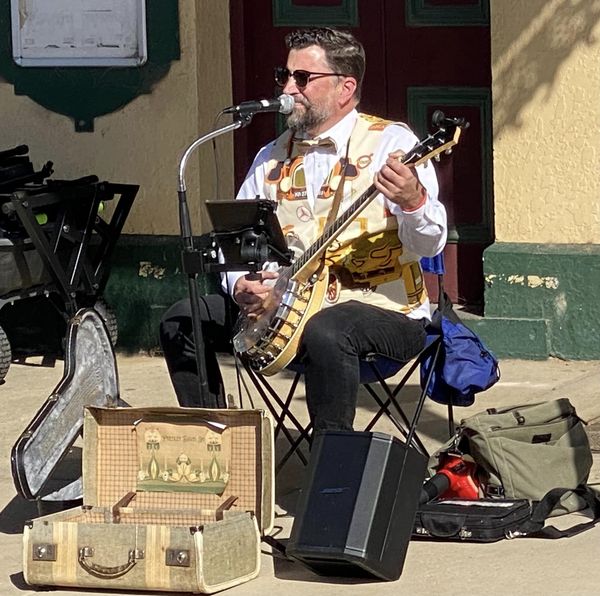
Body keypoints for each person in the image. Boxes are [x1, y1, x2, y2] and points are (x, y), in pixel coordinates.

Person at [160, 27, 447, 432]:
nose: (288, 88)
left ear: (345, 88)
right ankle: (218, 443)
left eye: (302, 78)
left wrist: (413, 201)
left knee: (327, 330)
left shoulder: (392, 144)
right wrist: (243, 286)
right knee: (182, 318)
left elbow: (428, 243)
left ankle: (333, 472)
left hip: (386, 312)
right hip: (285, 307)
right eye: (285, 75)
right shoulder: (271, 155)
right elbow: (237, 243)